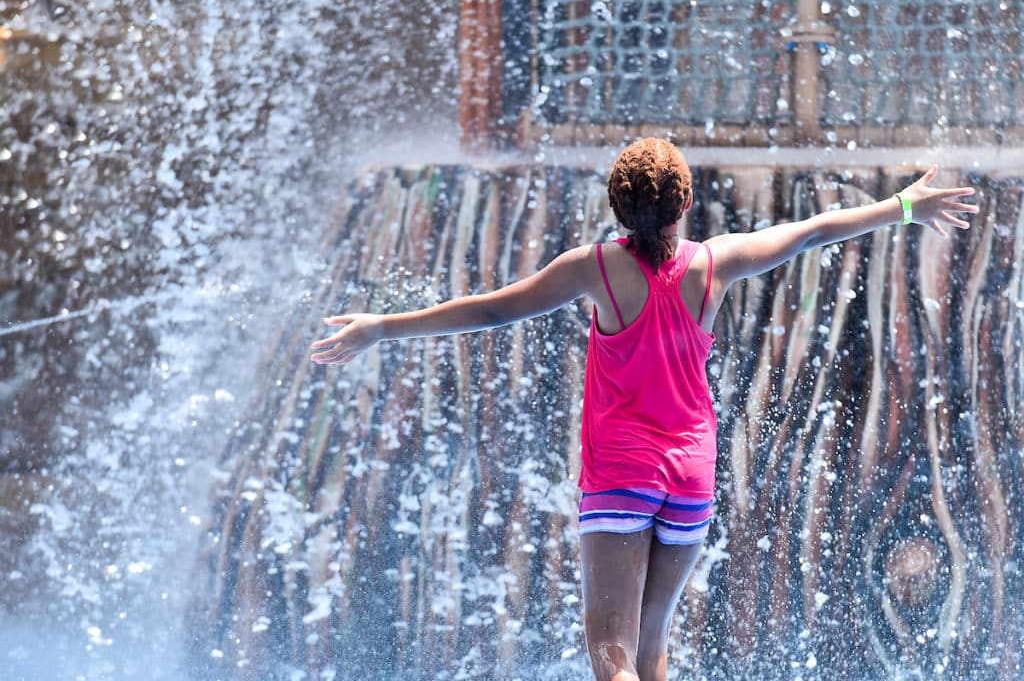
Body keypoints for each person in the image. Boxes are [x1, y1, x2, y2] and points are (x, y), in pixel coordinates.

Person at [309, 138, 978, 681]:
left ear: (619, 207)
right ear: (685, 203)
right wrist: (903, 207)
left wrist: (380, 327)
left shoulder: (594, 269)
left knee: (610, 651)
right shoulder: (713, 264)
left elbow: (490, 309)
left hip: (622, 475)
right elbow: (808, 233)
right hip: (691, 478)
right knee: (653, 643)